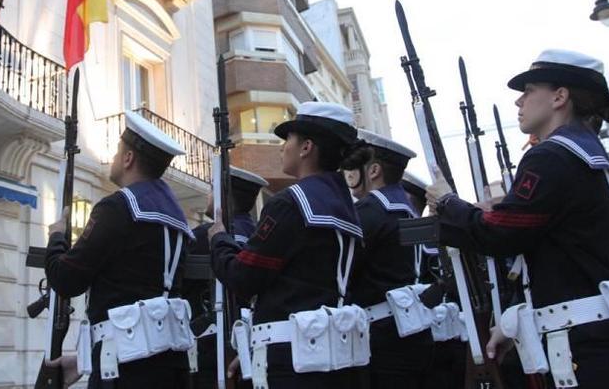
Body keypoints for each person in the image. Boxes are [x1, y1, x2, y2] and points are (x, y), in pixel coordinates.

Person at [426, 50, 609, 388]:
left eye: (529, 90)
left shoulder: (552, 156)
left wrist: (448, 204)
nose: (519, 101)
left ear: (559, 97)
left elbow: (501, 235)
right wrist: (515, 325)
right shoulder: (582, 152)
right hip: (603, 338)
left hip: (587, 348)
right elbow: (560, 260)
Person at [208, 101, 367, 388]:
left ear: (306, 147)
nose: (283, 147)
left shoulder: (292, 203)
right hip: (337, 358)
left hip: (292, 363)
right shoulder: (349, 207)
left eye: (288, 140)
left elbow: (244, 277)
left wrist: (219, 239)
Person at [44, 111, 195, 389]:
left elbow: (66, 278)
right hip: (171, 367)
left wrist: (55, 238)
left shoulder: (118, 207)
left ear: (128, 159)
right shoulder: (178, 220)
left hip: (123, 370)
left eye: (117, 152)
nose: (113, 158)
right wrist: (83, 359)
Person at [344, 130, 434, 388]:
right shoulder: (408, 212)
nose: (349, 174)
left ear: (373, 171)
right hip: (414, 331)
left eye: (354, 166)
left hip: (381, 336)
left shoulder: (370, 210)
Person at [185, 166, 269, 388]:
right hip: (253, 342)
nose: (208, 196)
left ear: (223, 198)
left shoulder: (204, 235)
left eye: (212, 191)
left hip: (209, 343)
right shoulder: (259, 236)